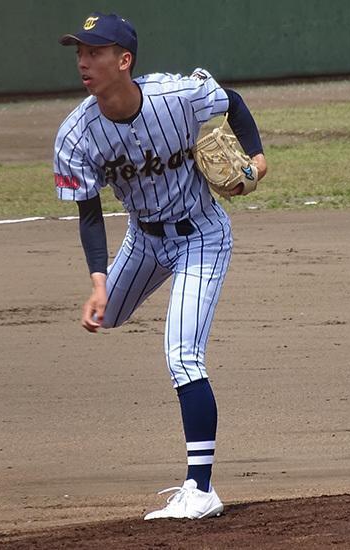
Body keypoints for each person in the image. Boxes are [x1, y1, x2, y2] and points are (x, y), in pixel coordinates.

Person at [54, 13, 267, 520]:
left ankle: (200, 488)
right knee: (106, 316)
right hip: (144, 242)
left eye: (95, 52)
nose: (83, 61)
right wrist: (99, 284)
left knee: (181, 357)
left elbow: (231, 101)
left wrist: (257, 161)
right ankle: (197, 484)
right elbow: (88, 214)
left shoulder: (178, 97)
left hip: (201, 237)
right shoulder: (76, 134)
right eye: (79, 52)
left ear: (124, 61)